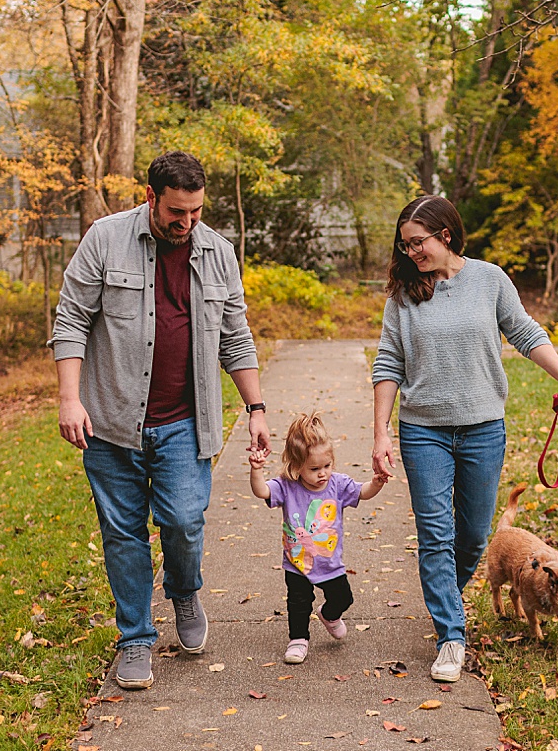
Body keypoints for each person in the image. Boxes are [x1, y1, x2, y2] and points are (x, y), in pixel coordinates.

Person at [50, 151, 272, 691]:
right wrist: (68, 399)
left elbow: (235, 336)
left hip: (184, 422)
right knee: (123, 533)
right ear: (150, 197)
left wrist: (257, 407)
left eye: (196, 212)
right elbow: (71, 319)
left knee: (182, 522)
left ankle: (184, 590)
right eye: (177, 211)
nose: (187, 223)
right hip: (109, 422)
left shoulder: (218, 252)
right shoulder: (105, 239)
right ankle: (135, 638)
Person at [370, 194, 558, 683]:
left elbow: (526, 332)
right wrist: (380, 430)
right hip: (423, 429)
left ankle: (446, 591)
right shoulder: (403, 296)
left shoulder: (489, 279)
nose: (410, 253)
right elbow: (388, 363)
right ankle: (451, 633)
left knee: (470, 537)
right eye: (404, 245)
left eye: (417, 242)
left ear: (445, 235)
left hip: (484, 426)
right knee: (435, 533)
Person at [249, 412, 390, 664]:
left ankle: (329, 615)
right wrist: (256, 471)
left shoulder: (338, 484)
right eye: (314, 469)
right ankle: (298, 640)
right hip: (297, 561)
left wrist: (376, 483)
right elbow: (262, 491)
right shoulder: (287, 485)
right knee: (298, 603)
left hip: (329, 561)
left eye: (326, 466)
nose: (322, 473)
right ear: (296, 466)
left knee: (344, 597)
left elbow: (362, 492)